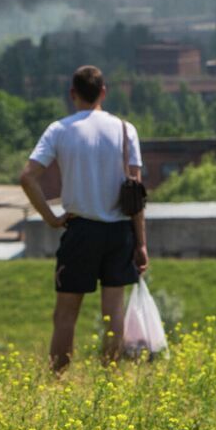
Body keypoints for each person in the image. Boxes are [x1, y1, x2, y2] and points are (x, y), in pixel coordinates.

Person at [18, 65, 149, 372]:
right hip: (119, 231)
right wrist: (141, 243)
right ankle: (110, 377)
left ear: (72, 94)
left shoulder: (59, 130)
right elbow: (136, 194)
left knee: (65, 314)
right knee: (113, 311)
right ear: (103, 92)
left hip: (80, 229)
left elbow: (27, 177)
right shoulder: (125, 130)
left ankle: (58, 379)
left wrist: (51, 217)